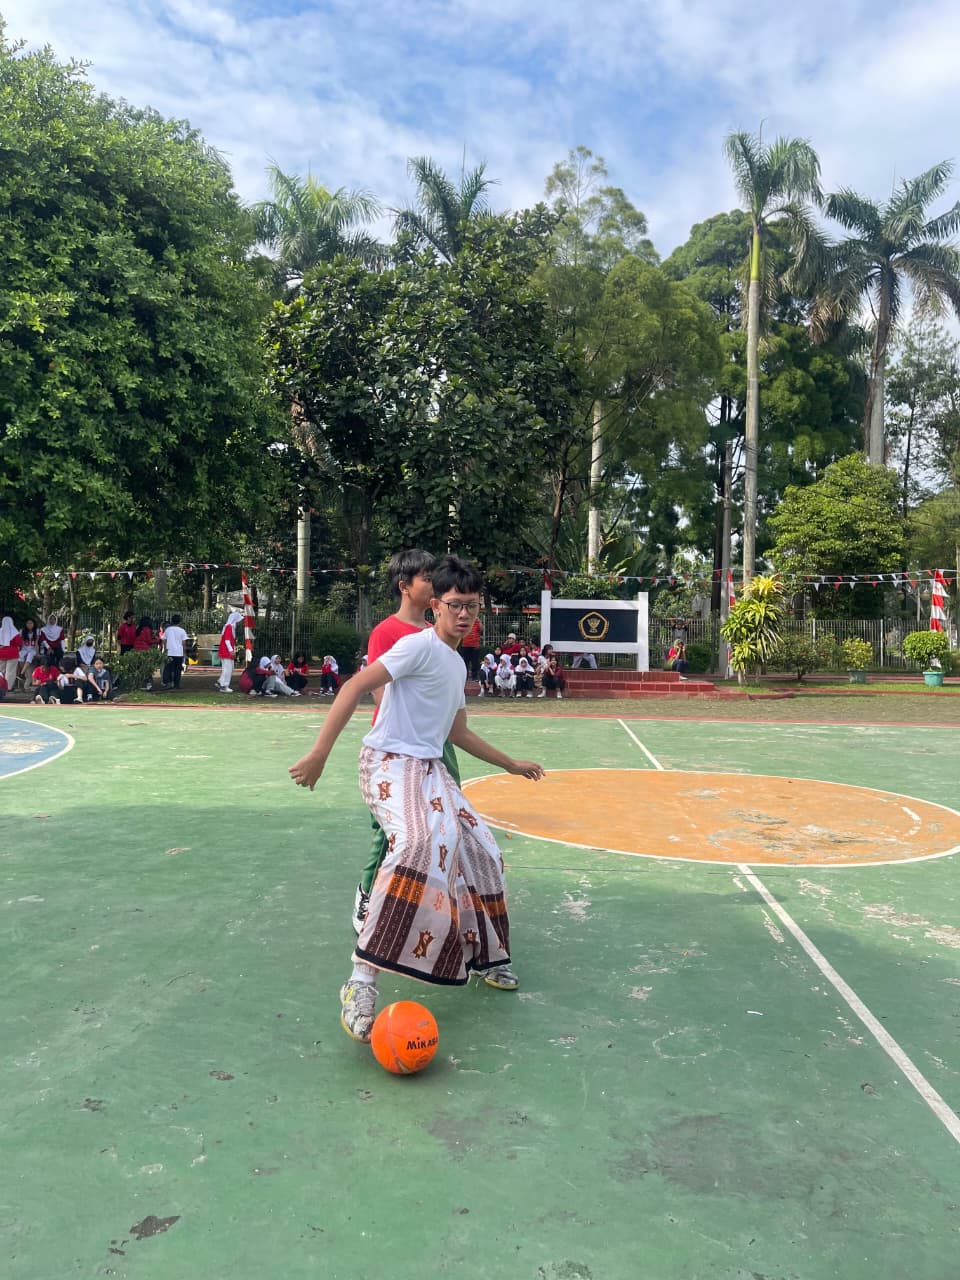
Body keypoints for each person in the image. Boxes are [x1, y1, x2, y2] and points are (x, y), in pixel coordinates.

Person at [289, 555, 545, 1044]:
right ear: (436, 606)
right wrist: (318, 753)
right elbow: (354, 685)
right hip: (389, 762)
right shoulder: (417, 647)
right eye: (454, 605)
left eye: (471, 606)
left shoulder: (455, 662)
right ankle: (361, 981)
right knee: (417, 845)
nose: (464, 614)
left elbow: (456, 731)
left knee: (482, 850)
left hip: (429, 769)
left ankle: (485, 956)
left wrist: (510, 763)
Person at [351, 548, 438, 935]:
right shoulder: (386, 632)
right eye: (427, 578)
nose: (434, 585)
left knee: (437, 824)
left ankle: (421, 899)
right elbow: (378, 692)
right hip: (395, 747)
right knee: (389, 830)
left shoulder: (436, 632)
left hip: (433, 743)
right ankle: (367, 893)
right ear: (405, 586)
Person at [215, 611, 242, 692]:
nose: (240, 622)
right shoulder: (229, 627)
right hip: (226, 651)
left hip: (226, 650)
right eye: (239, 620)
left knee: (228, 668)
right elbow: (227, 640)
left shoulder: (229, 627)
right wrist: (231, 650)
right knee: (228, 669)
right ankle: (224, 685)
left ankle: (221, 682)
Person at [160, 614, 188, 689]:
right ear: (179, 622)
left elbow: (164, 640)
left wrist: (165, 649)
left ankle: (168, 683)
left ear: (172, 621)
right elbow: (184, 643)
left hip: (170, 652)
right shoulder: (182, 630)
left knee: (168, 668)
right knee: (177, 670)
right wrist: (184, 653)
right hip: (179, 653)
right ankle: (176, 684)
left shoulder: (168, 630)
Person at [0, 614, 22, 691]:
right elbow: (19, 643)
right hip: (12, 653)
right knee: (10, 671)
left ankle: (1, 686)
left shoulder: (0, 631)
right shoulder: (15, 632)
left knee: (1, 671)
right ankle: (8, 687)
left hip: (1, 653)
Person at [459, 613, 482, 681]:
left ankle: (474, 676)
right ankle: (464, 676)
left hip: (475, 645)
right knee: (465, 662)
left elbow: (481, 629)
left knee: (475, 662)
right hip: (465, 645)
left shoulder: (477, 622)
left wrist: (479, 621)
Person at [18, 619, 39, 687]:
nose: (29, 624)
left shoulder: (36, 631)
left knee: (30, 655)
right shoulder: (22, 631)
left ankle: (21, 673)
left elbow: (36, 643)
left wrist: (37, 653)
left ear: (33, 624)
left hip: (32, 649)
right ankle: (23, 672)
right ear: (25, 624)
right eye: (28, 623)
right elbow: (20, 642)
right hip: (24, 648)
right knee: (20, 656)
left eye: (31, 623)